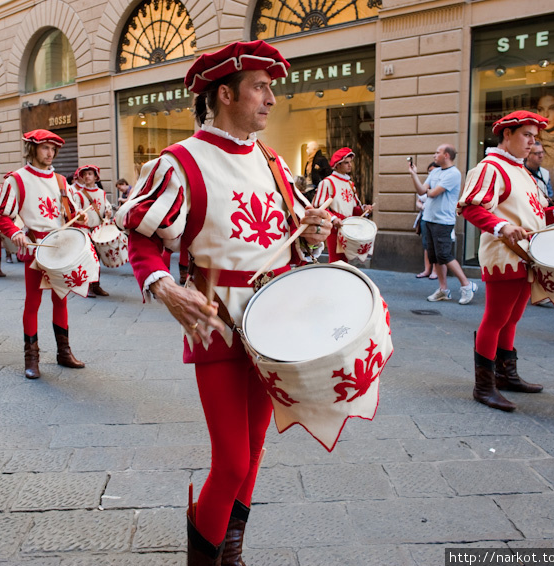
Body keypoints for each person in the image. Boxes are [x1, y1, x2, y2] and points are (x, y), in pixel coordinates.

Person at [115, 40, 330, 565]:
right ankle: (204, 554)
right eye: (261, 87)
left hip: (274, 323)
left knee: (254, 451)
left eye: (271, 89)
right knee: (231, 461)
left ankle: (229, 549)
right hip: (216, 324)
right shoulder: (181, 161)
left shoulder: (273, 161)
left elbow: (294, 237)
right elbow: (141, 236)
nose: (271, 99)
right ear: (226, 93)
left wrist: (314, 233)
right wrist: (164, 287)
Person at [458, 111, 554, 412]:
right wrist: (502, 227)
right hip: (505, 254)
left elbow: (538, 218)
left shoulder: (523, 172)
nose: (532, 142)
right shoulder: (491, 167)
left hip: (528, 254)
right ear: (507, 135)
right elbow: (471, 207)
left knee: (512, 318)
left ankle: (506, 374)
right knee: (496, 318)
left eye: (534, 137)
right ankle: (484, 386)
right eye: (526, 135)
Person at [0, 129, 86, 378]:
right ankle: (31, 358)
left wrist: (79, 217)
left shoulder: (61, 181)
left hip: (59, 247)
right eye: (45, 147)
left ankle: (63, 352)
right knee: (33, 303)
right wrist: (15, 232)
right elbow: (1, 214)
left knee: (61, 300)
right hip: (35, 247)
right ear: (32, 149)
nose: (50, 153)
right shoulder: (17, 179)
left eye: (53, 148)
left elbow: (68, 214)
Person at [409, 144, 477, 304]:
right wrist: (413, 175)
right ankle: (443, 289)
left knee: (445, 255)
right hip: (429, 219)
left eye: (437, 152)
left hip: (443, 221)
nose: (434, 155)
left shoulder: (454, 174)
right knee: (435, 257)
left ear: (446, 155)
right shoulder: (436, 172)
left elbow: (432, 193)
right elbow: (421, 191)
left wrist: (427, 190)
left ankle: (467, 285)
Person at [313, 147, 372, 262]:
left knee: (346, 261)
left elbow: (353, 209)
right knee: (336, 261)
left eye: (350, 162)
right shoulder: (328, 182)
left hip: (349, 228)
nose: (350, 165)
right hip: (336, 228)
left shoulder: (350, 184)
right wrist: (333, 218)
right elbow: (320, 207)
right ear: (338, 164)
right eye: (346, 163)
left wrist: (364, 209)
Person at [70, 164, 111, 297]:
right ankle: (87, 286)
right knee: (90, 258)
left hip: (98, 230)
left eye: (90, 174)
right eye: (85, 174)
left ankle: (96, 285)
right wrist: (79, 214)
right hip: (85, 231)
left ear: (95, 177)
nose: (87, 176)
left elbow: (106, 206)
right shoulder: (79, 194)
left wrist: (108, 211)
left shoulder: (102, 193)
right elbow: (74, 211)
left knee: (97, 258)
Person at [414, 162, 439, 279]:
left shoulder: (441, 184)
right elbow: (419, 199)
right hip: (425, 217)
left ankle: (435, 270)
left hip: (437, 219)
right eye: (430, 171)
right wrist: (422, 206)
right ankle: (427, 269)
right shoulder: (427, 184)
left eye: (433, 171)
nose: (431, 173)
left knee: (436, 245)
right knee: (426, 245)